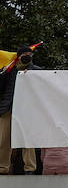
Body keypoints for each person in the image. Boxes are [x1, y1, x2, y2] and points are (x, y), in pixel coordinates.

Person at [0, 44, 38, 175]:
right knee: (3, 140)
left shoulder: (35, 70)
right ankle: (2, 168)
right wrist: (3, 74)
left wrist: (33, 75)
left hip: (26, 109)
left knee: (27, 139)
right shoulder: (10, 71)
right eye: (24, 55)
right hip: (8, 109)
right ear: (19, 57)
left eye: (30, 55)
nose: (28, 57)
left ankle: (30, 168)